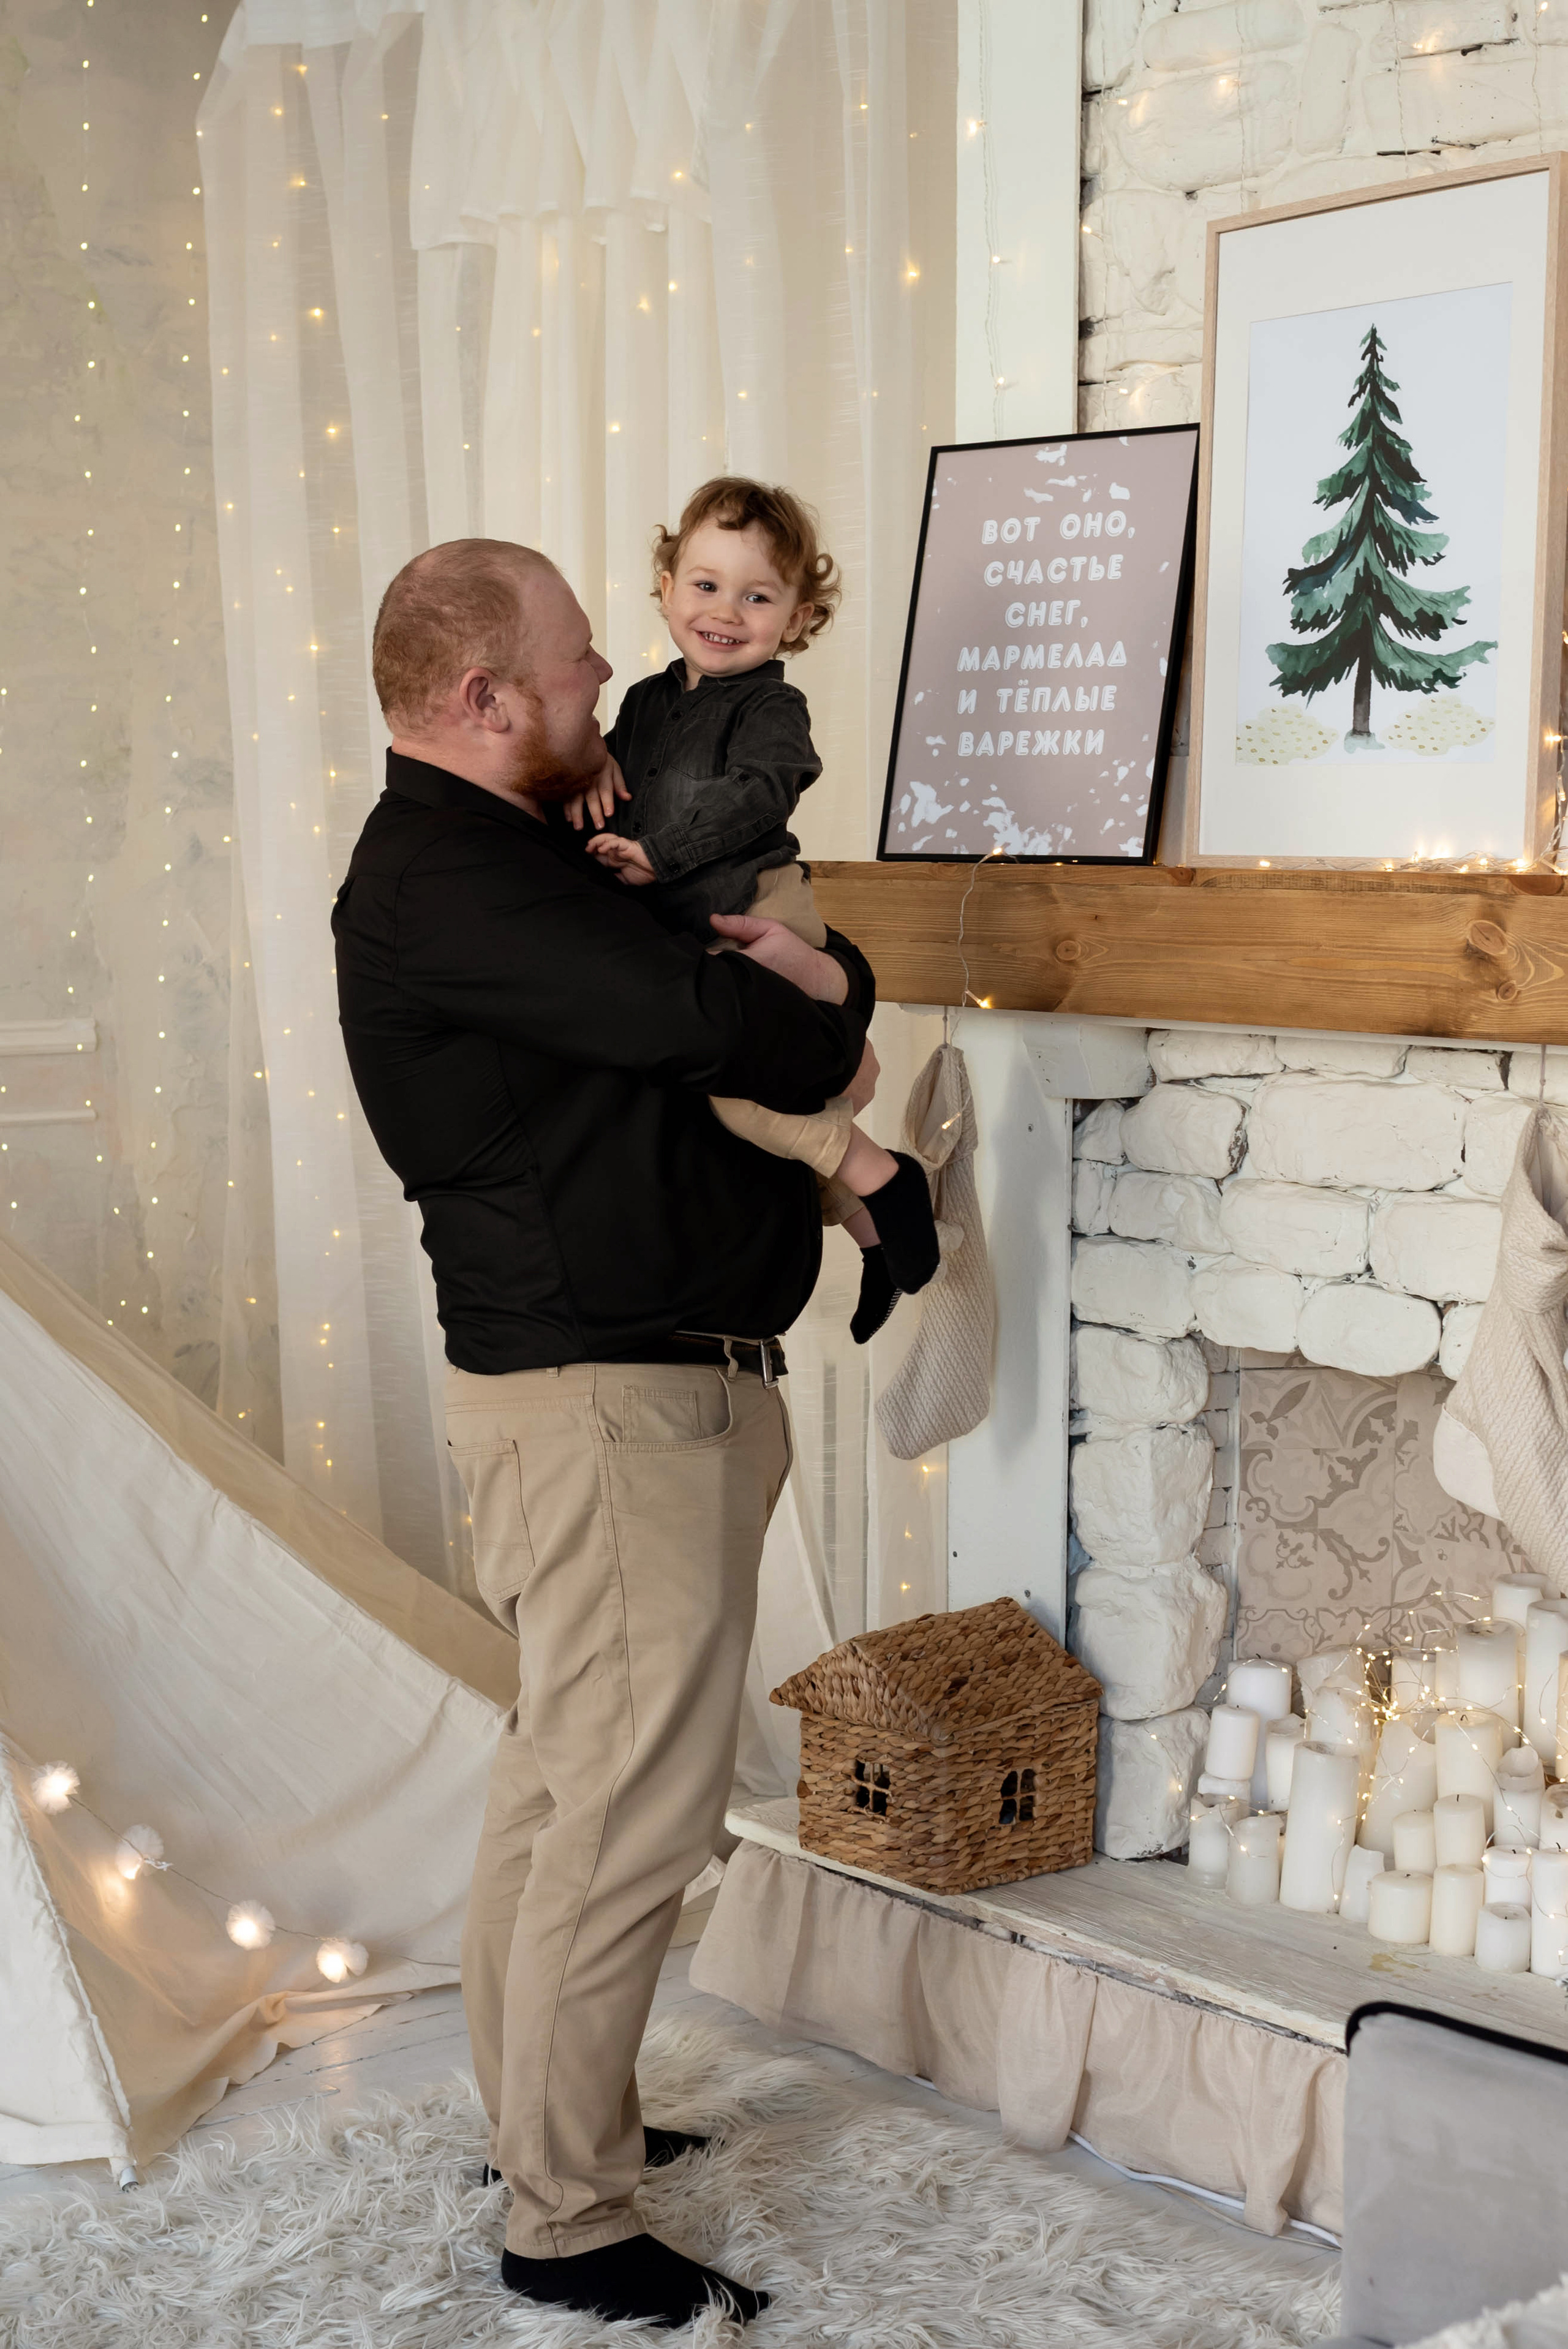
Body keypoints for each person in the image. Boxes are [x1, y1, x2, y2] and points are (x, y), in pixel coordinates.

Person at [331, 537, 907, 2330]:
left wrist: (819, 995)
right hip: (607, 1406)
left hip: (618, 1394)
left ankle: (545, 2129)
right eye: (579, 664)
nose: (609, 687)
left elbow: (729, 1019)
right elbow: (726, 1022)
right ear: (482, 694)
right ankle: (563, 2219)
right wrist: (830, 1009)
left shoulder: (512, 857)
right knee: (625, 1816)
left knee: (566, 1786)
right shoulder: (458, 882)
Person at [576, 475, 939, 1340]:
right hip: (695, 924)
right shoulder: (645, 703)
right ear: (666, 589)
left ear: (800, 618)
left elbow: (762, 795)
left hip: (763, 904)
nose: (725, 612)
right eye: (705, 585)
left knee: (734, 1091)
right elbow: (623, 785)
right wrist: (594, 765)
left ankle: (888, 1180)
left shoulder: (774, 706)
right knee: (764, 1111)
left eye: (758, 595)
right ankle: (869, 1234)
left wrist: (660, 854)